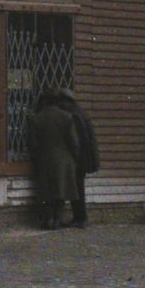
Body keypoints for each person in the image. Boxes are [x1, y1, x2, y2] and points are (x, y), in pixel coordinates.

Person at [46, 88, 101, 227]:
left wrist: (74, 156)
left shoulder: (72, 115)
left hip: (78, 157)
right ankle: (79, 218)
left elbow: (76, 140)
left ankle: (80, 218)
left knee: (77, 188)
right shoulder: (80, 112)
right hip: (84, 156)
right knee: (78, 188)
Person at [26, 94, 81, 229]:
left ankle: (48, 219)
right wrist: (75, 157)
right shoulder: (67, 117)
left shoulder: (36, 119)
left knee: (47, 191)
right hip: (64, 159)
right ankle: (57, 219)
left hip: (44, 159)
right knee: (61, 191)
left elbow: (33, 143)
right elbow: (74, 142)